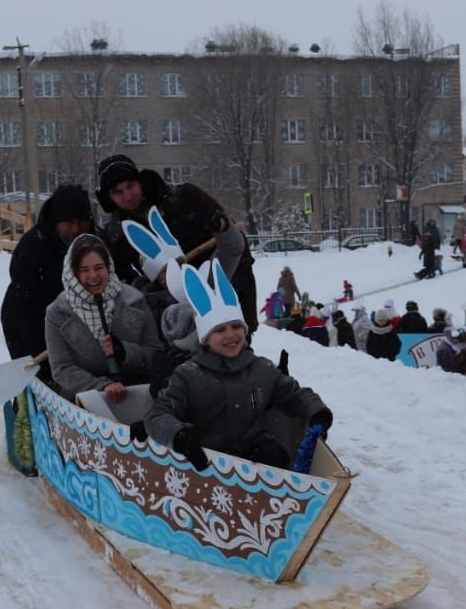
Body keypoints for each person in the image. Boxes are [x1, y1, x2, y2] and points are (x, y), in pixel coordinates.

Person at [145, 263, 331, 470]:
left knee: (276, 457)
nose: (231, 335)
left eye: (236, 326)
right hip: (205, 453)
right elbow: (158, 414)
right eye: (220, 330)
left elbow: (293, 394)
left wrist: (317, 411)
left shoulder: (261, 368)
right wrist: (179, 436)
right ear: (205, 339)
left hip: (251, 445)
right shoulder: (187, 374)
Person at [96, 153, 257, 334]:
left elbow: (233, 243)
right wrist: (156, 281)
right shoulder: (119, 236)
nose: (127, 196)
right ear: (108, 197)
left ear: (140, 181)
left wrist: (242, 310)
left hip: (224, 301)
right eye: (117, 192)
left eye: (130, 186)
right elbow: (128, 285)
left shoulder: (186, 199)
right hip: (177, 320)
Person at [45, 233, 160, 402]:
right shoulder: (58, 313)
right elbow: (62, 368)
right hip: (84, 403)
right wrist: (101, 386)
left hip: (139, 396)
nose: (93, 276)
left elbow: (155, 355)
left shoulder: (135, 301)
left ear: (109, 267)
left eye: (99, 268)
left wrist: (125, 352)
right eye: (84, 270)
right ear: (73, 274)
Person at [0, 185, 97, 363]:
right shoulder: (33, 247)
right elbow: (26, 309)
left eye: (81, 222)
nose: (76, 229)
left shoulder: (96, 243)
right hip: (26, 321)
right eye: (69, 222)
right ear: (56, 221)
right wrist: (43, 361)